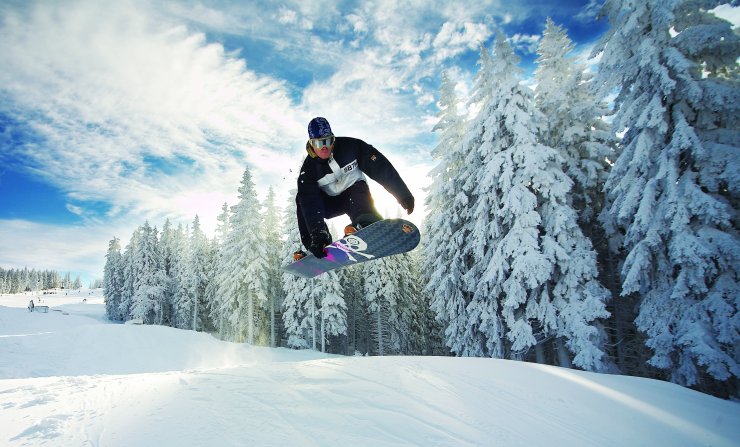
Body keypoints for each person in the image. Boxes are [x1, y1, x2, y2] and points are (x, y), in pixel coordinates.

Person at [295, 117, 415, 259]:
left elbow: (380, 168)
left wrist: (402, 193)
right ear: (311, 144)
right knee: (302, 199)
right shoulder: (308, 170)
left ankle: (366, 223)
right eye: (319, 143)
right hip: (329, 204)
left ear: (333, 139)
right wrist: (317, 234)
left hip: (354, 195)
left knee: (358, 190)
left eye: (327, 141)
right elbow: (310, 203)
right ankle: (316, 242)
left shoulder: (352, 147)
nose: (324, 147)